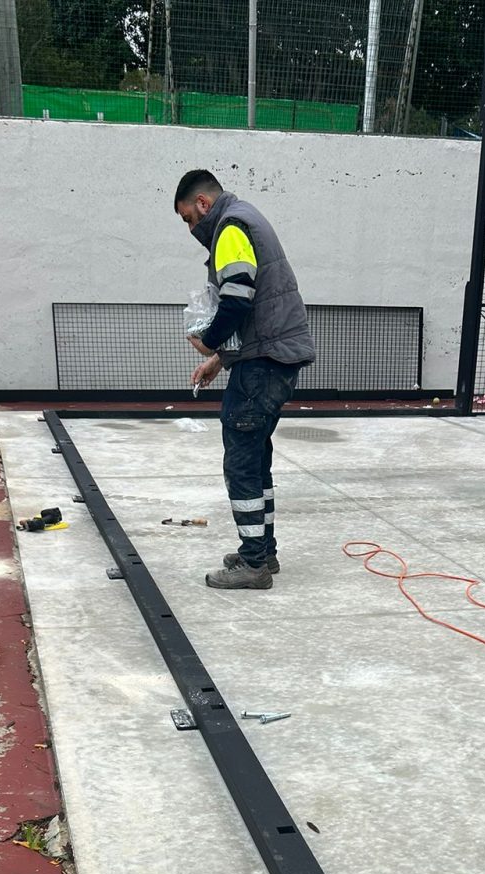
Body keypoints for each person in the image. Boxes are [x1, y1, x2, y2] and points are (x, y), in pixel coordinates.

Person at [174, 170, 315, 590]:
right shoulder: (246, 218)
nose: (190, 229)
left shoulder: (231, 227)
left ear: (203, 203)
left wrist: (208, 341)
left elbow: (237, 297)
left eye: (188, 219)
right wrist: (220, 360)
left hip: (263, 364)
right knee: (255, 459)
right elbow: (257, 307)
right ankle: (263, 552)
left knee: (241, 463)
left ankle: (254, 564)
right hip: (273, 358)